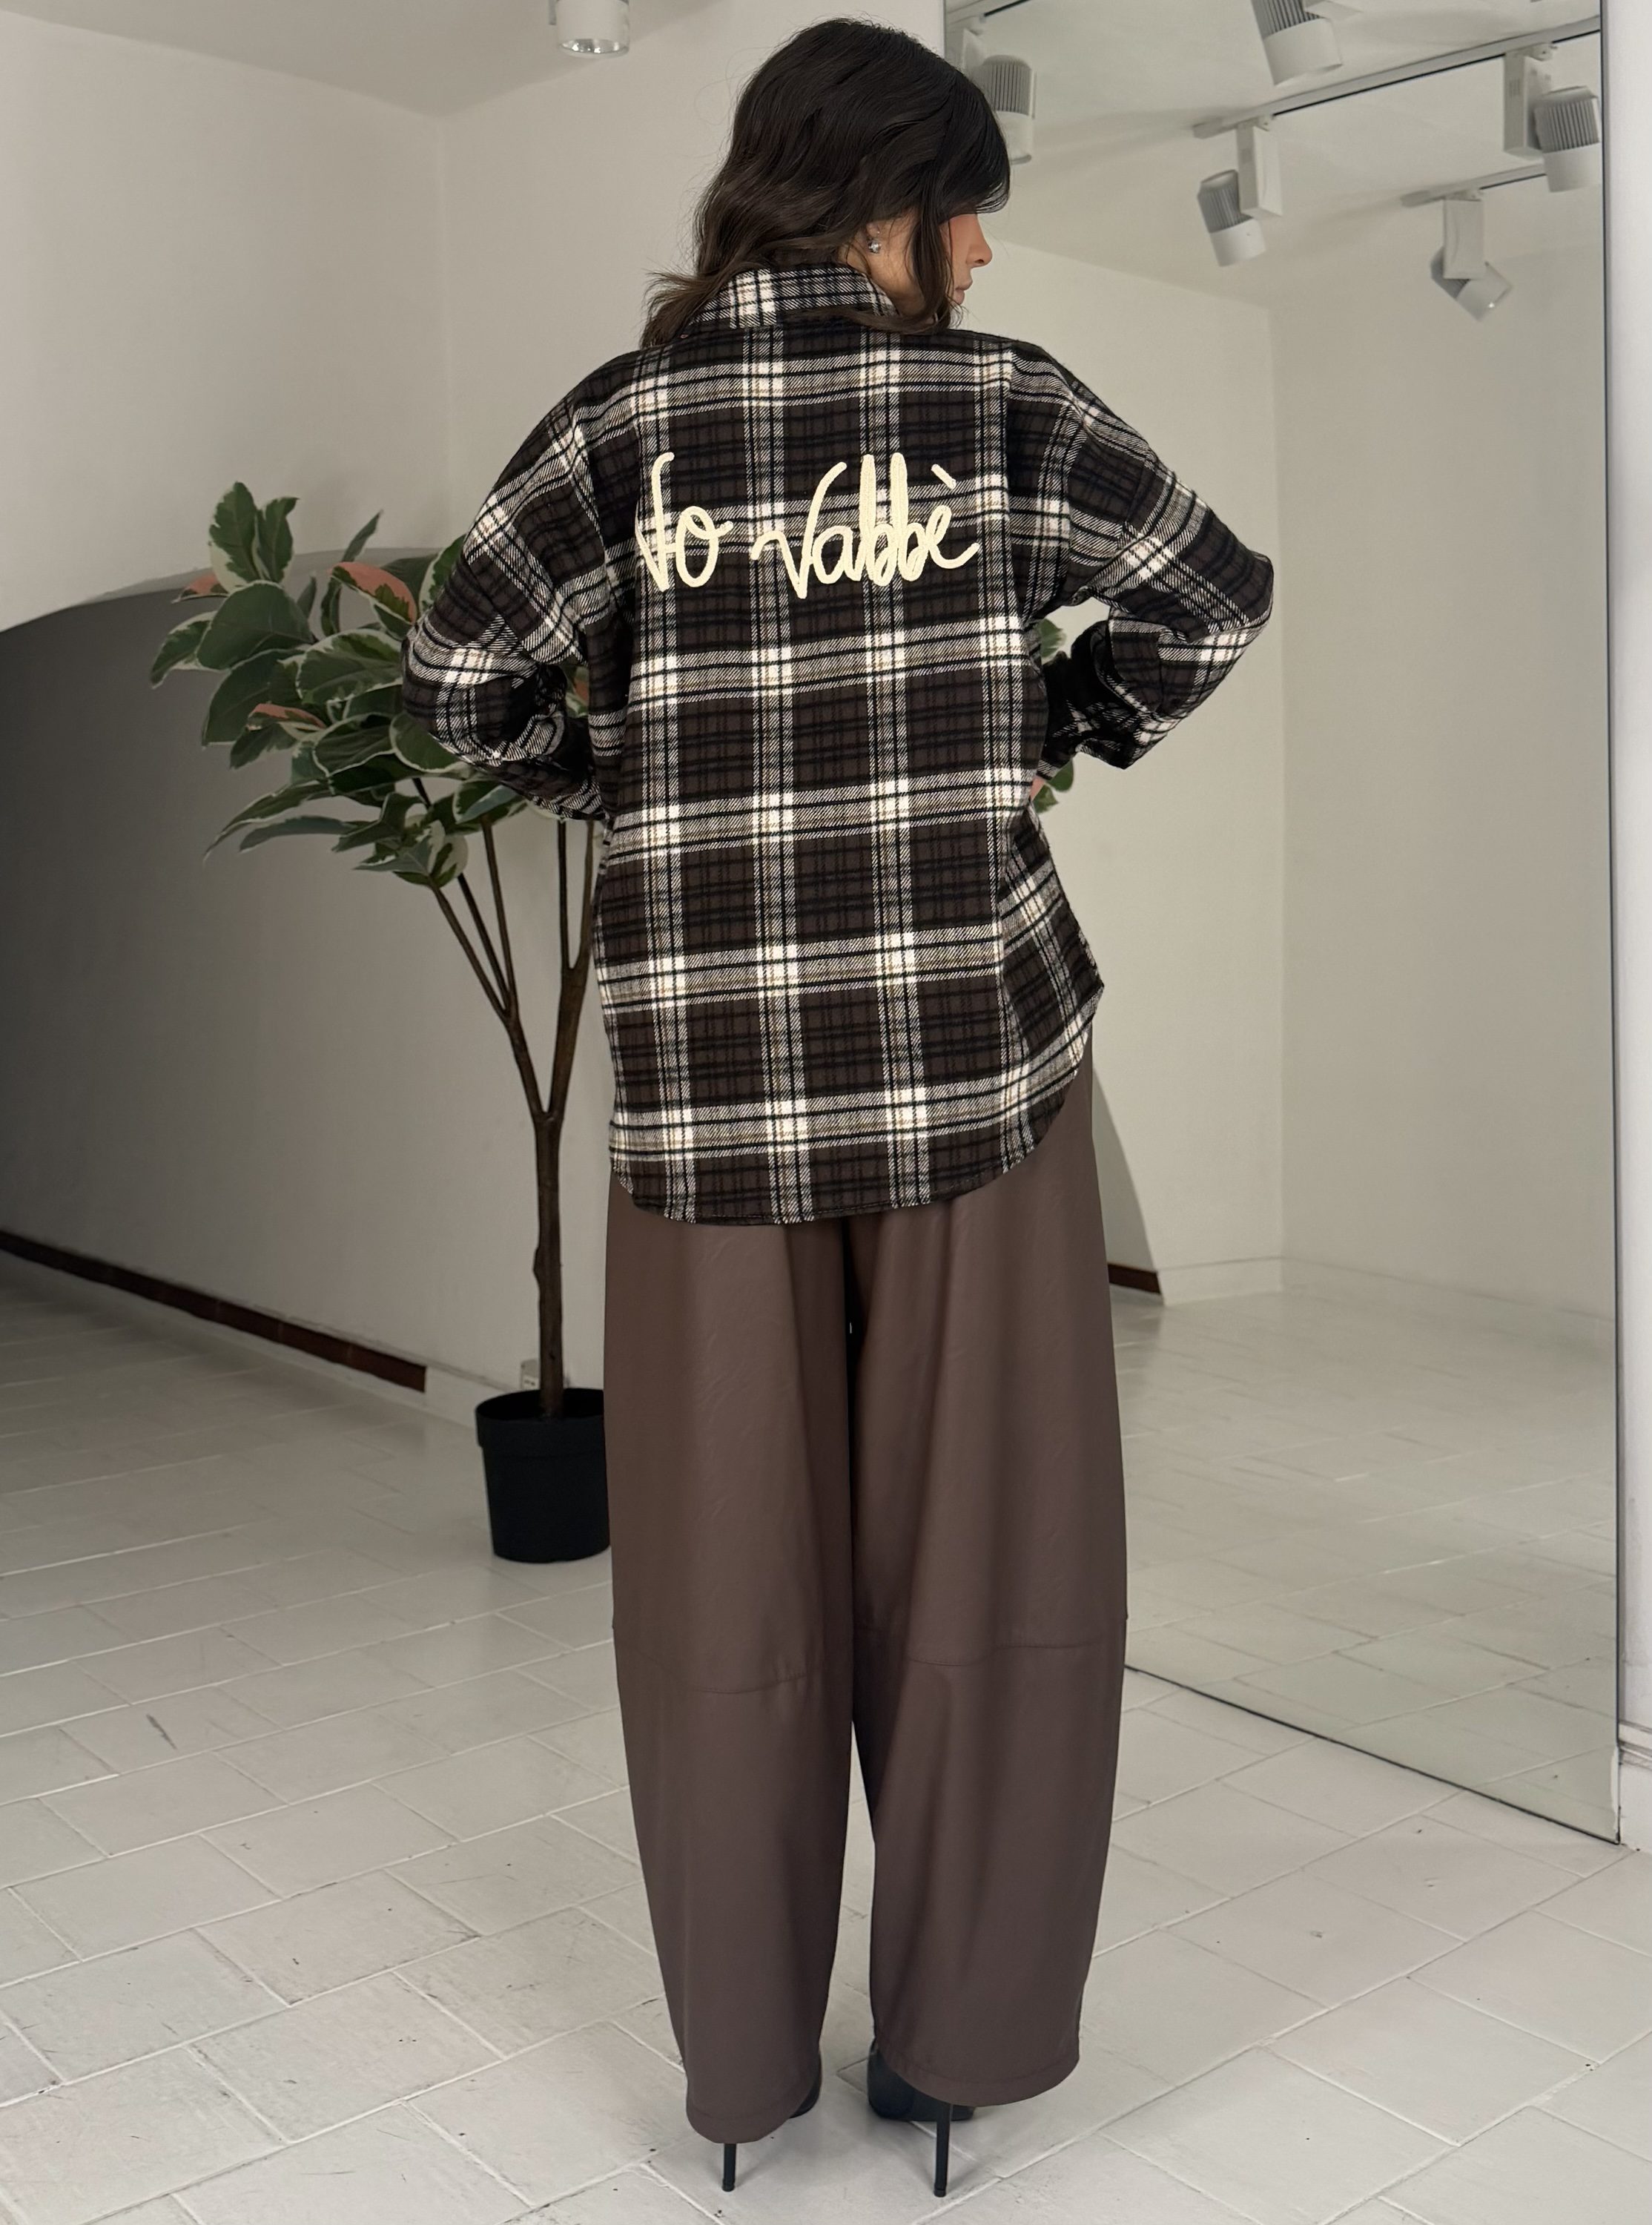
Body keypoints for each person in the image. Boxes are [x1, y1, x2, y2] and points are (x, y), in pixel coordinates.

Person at [402, 16, 1274, 2200]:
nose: (981, 252)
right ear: (890, 202)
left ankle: (739, 2086)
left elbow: (457, 679)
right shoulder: (1008, 404)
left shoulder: (625, 422)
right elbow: (1213, 599)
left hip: (711, 1086)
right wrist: (1053, 725)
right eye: (967, 209)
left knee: (724, 1597)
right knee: (994, 1573)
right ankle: (955, 2063)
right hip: (978, 1058)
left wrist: (627, 775)